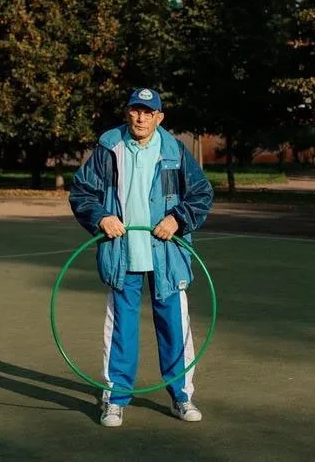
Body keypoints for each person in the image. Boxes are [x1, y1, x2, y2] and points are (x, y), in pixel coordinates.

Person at [69, 87, 214, 428]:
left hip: (167, 254)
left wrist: (177, 219)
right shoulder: (108, 147)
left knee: (174, 328)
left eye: (148, 112)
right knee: (121, 329)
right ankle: (115, 400)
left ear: (159, 117)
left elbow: (201, 193)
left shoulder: (175, 150)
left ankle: (182, 396)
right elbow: (82, 192)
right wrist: (101, 217)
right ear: (127, 113)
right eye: (135, 110)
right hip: (122, 253)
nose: (141, 117)